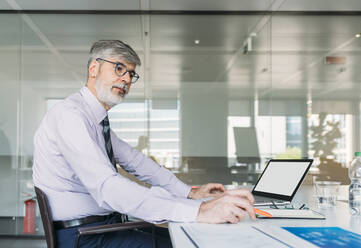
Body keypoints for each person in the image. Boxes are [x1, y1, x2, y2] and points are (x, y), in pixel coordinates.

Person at [32, 40, 256, 248]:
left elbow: (137, 163)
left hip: (102, 228)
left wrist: (189, 194)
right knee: (185, 243)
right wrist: (199, 211)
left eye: (131, 74)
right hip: (85, 237)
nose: (127, 79)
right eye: (119, 68)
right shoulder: (70, 116)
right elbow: (108, 188)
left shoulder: (95, 122)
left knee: (184, 237)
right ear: (94, 69)